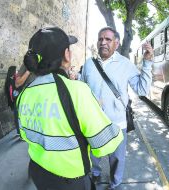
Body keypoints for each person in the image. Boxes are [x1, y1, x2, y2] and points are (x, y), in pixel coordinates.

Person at [16, 26, 124, 190]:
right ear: (66, 55)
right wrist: (96, 109)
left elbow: (24, 134)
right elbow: (105, 146)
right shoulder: (77, 91)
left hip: (38, 173)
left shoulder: (24, 94)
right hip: (70, 182)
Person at [80, 26, 153, 190]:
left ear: (117, 43)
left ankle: (115, 184)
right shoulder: (89, 64)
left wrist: (147, 63)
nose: (103, 42)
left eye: (108, 39)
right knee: (93, 157)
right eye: (100, 39)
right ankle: (95, 175)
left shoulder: (125, 64)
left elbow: (142, 89)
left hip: (117, 125)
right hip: (92, 125)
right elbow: (81, 87)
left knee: (117, 160)